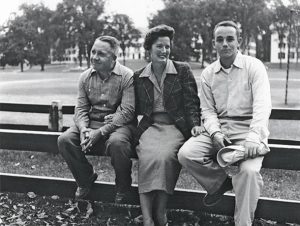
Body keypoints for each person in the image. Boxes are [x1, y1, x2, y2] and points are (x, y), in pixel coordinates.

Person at [178, 20, 272, 226]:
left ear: (240, 41)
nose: (225, 44)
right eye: (220, 40)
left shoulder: (254, 66)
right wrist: (215, 134)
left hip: (249, 130)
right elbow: (208, 110)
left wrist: (253, 138)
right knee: (186, 154)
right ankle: (220, 183)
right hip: (221, 129)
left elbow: (263, 106)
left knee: (248, 172)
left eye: (230, 39)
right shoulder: (208, 73)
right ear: (214, 44)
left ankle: (243, 223)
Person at [133, 24, 201, 226]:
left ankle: (160, 212)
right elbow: (130, 107)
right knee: (146, 157)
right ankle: (147, 219)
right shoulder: (139, 76)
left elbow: (191, 103)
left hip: (175, 128)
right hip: (150, 128)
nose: (164, 51)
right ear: (149, 49)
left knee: (165, 157)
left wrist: (195, 125)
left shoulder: (182, 70)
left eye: (167, 47)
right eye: (159, 47)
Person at [57, 36, 136, 203]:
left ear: (114, 58)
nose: (94, 57)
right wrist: (83, 129)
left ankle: (123, 187)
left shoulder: (127, 76)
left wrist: (100, 132)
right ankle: (85, 179)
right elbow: (81, 108)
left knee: (117, 145)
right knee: (65, 140)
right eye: (93, 51)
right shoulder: (85, 76)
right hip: (92, 123)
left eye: (101, 54)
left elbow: (128, 112)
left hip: (120, 124)